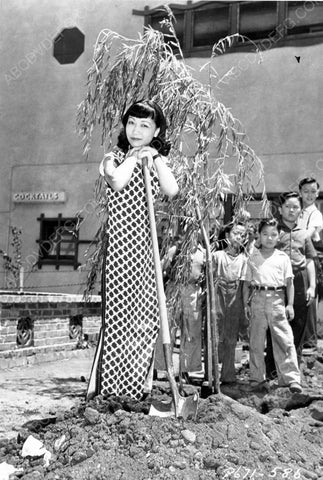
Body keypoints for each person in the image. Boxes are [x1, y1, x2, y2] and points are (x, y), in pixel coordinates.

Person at [87, 100, 178, 400]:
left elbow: (172, 190)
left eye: (145, 126)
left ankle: (138, 390)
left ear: (156, 130)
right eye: (132, 124)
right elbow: (117, 180)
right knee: (118, 318)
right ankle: (110, 390)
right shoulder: (112, 158)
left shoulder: (155, 160)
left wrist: (156, 158)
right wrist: (134, 155)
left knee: (145, 318)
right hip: (121, 252)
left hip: (147, 252)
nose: (136, 131)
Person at [243, 218, 302, 393]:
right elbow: (246, 284)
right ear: (259, 236)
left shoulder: (282, 257)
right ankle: (256, 378)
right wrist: (246, 304)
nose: (269, 238)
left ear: (278, 236)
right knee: (256, 341)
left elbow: (290, 283)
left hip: (277, 299)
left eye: (273, 234)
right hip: (258, 299)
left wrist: (290, 304)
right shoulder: (252, 257)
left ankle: (291, 379)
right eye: (265, 234)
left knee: (284, 340)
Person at [265, 192, 316, 380]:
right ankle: (272, 371)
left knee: (299, 326)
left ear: (300, 211)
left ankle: (295, 370)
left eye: (295, 207)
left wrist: (312, 286)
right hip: (277, 281)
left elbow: (310, 260)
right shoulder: (273, 232)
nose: (292, 210)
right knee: (275, 326)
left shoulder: (304, 234)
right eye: (288, 206)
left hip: (299, 280)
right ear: (280, 209)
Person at [213, 222, 247, 385]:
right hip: (219, 291)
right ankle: (212, 373)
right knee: (216, 332)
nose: (238, 237)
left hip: (236, 294)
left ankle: (228, 374)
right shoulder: (217, 256)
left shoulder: (244, 259)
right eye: (235, 233)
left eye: (242, 234)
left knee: (231, 335)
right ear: (227, 236)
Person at [298, 177, 323, 353]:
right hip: (294, 256)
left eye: (313, 191)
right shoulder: (297, 210)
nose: (310, 195)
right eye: (306, 191)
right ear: (300, 192)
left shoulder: (316, 214)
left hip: (309, 257)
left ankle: (309, 341)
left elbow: (308, 235)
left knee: (308, 296)